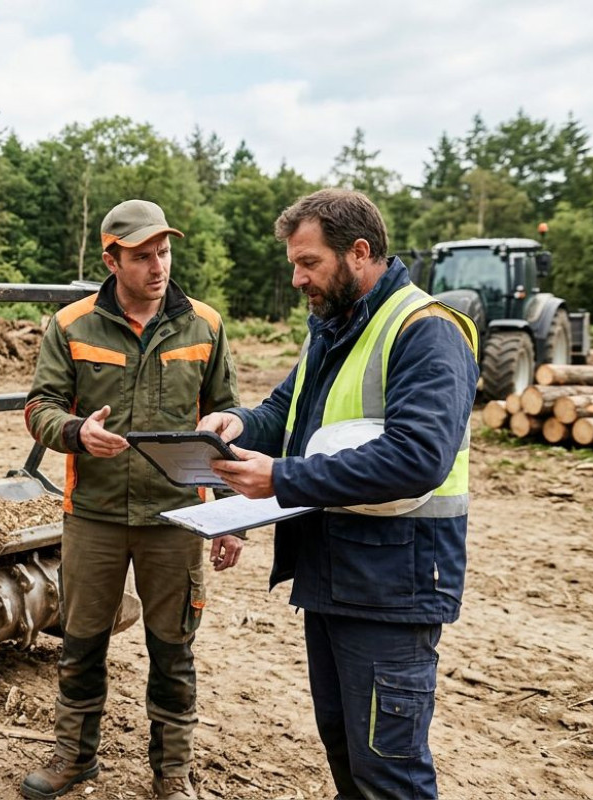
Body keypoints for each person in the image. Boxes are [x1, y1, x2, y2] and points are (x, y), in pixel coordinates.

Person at [199, 188, 478, 799]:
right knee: (348, 755)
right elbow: (286, 410)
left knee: (389, 771)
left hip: (393, 584)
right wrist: (238, 424)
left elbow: (418, 456)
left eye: (309, 262)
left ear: (359, 252)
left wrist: (282, 478)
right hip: (335, 576)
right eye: (294, 264)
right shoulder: (334, 325)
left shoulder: (426, 331)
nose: (297, 278)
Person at [22, 199, 244, 800]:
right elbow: (38, 407)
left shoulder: (205, 325)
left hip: (176, 517)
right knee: (82, 642)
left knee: (173, 648)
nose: (157, 266)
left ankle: (173, 772)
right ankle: (74, 757)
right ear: (111, 258)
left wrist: (228, 518)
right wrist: (77, 433)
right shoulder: (70, 325)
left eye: (164, 252)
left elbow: (224, 424)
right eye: (142, 256)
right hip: (92, 515)